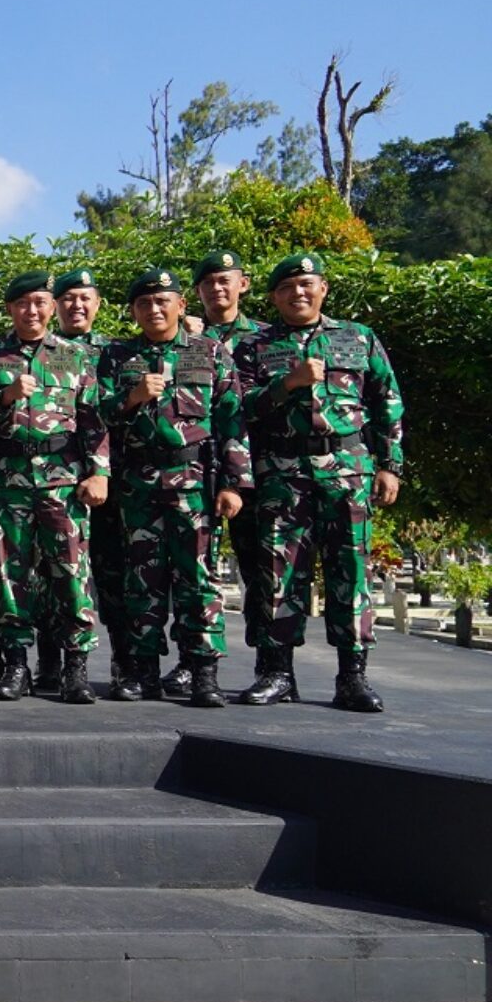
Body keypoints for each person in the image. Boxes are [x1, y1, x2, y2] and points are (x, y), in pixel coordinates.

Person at [234, 253, 404, 711]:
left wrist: (391, 466)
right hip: (283, 474)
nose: (299, 294)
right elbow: (239, 408)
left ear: (323, 289)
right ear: (273, 298)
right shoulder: (253, 346)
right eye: (287, 289)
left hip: (347, 470)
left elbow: (387, 402)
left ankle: (352, 677)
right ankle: (277, 673)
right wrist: (287, 383)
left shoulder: (358, 338)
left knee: (351, 572)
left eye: (307, 285)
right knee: (278, 575)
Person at [99, 268, 249, 707]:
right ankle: (141, 671)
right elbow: (97, 415)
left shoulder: (211, 352)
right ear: (133, 311)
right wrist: (132, 397)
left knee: (198, 581)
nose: (154, 309)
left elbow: (231, 421)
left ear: (181, 306)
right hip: (139, 486)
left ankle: (203, 671)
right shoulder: (116, 356)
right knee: (141, 581)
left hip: (195, 485)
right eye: (144, 303)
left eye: (163, 300)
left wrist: (233, 484)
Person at [0, 272, 109, 703]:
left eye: (39, 303)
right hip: (9, 480)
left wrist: (99, 472)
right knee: (10, 574)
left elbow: (94, 420)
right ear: (10, 309)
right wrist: (6, 397)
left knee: (71, 574)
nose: (31, 311)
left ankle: (75, 668)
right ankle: (16, 666)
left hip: (62, 480)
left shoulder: (75, 356)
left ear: (51, 308)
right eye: (22, 303)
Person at [186, 249, 273, 698]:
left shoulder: (266, 338)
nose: (217, 289)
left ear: (243, 283)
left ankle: (270, 666)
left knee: (262, 570)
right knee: (192, 567)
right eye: (208, 283)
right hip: (196, 474)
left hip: (263, 472)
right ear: (196, 293)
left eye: (225, 280)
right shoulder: (182, 339)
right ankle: (190, 661)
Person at [56, 266, 133, 697]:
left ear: (98, 303)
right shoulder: (44, 350)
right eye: (68, 298)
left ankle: (126, 666)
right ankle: (53, 665)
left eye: (85, 297)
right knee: (57, 576)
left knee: (116, 576)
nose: (77, 305)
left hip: (119, 484)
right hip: (60, 482)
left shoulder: (119, 352)